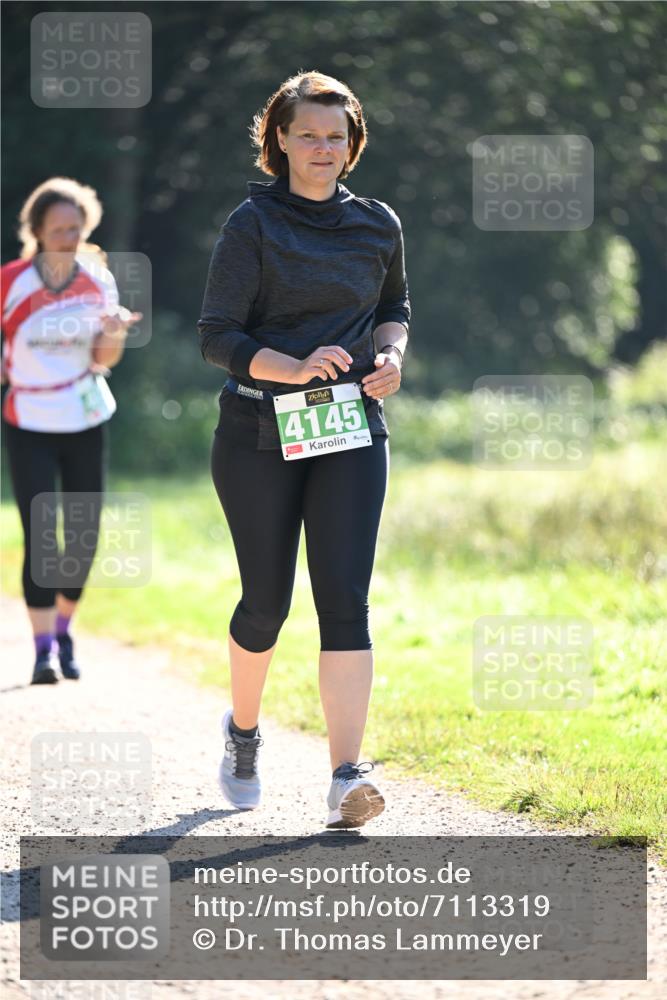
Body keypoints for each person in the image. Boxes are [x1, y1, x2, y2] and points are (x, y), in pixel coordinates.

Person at [198, 71, 410, 829]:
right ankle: (244, 733)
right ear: (279, 139)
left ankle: (344, 776)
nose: (324, 148)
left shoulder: (377, 222)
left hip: (350, 427)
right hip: (258, 431)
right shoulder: (250, 225)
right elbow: (216, 336)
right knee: (266, 604)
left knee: (344, 602)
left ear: (353, 144)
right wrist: (289, 369)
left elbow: (392, 308)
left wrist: (391, 357)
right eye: (309, 134)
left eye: (337, 136)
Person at [1, 177, 141, 685]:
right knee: (42, 538)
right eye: (58, 228)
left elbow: (105, 361)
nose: (67, 236)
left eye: (75, 228)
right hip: (29, 421)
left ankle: (64, 634)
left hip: (84, 417)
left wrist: (114, 332)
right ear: (37, 230)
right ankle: (40, 653)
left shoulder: (98, 277)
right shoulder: (12, 280)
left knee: (82, 538)